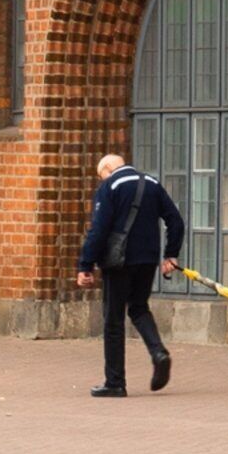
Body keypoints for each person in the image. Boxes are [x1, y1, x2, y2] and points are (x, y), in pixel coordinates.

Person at [73, 152, 185, 397]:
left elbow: (99, 229)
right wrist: (171, 255)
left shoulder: (110, 187)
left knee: (113, 319)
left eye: (101, 174)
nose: (102, 178)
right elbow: (175, 221)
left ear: (109, 168)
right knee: (138, 308)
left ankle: (115, 382)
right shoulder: (152, 183)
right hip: (148, 259)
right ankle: (159, 352)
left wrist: (85, 265)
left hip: (119, 262)